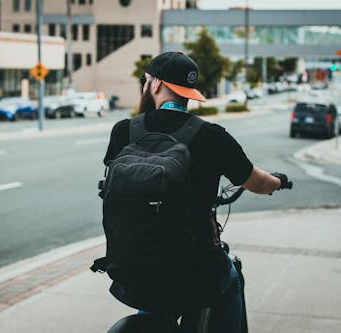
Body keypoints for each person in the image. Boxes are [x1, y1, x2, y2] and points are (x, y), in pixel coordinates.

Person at [102, 51, 289, 332]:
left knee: (155, 298)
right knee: (231, 278)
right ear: (188, 92)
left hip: (133, 265)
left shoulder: (124, 131)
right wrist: (278, 182)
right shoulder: (212, 136)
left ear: (154, 84)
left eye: (146, 80)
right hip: (197, 268)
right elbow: (257, 182)